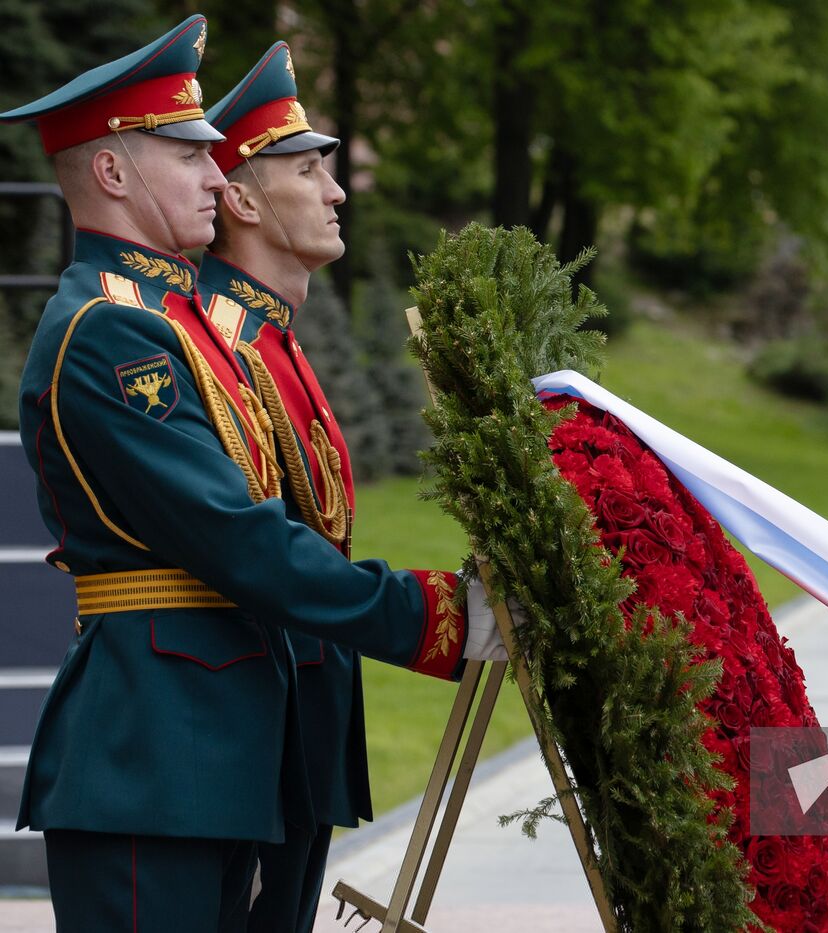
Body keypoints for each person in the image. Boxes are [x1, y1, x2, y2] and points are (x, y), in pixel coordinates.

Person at [0, 16, 507, 930]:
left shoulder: (171, 317)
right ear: (112, 173)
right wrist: (432, 615)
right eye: (189, 155)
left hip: (212, 748)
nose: (212, 173)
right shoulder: (112, 331)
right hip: (151, 756)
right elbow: (236, 536)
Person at [191, 41, 370, 932]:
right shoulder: (223, 342)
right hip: (258, 715)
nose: (336, 191)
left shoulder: (273, 336)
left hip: (304, 711)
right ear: (243, 198)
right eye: (309, 170)